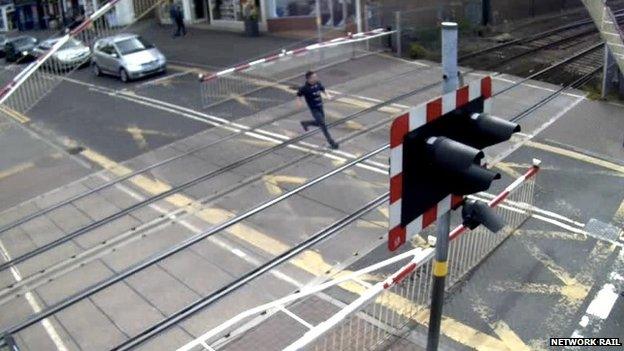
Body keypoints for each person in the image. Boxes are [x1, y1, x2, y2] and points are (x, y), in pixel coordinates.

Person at [297, 71, 339, 149]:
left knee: (320, 123)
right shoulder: (305, 88)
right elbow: (299, 94)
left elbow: (323, 89)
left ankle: (305, 123)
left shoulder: (317, 83)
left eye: (316, 77)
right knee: (323, 125)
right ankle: (332, 142)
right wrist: (299, 102)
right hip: (314, 109)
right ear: (309, 79)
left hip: (320, 107)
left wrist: (328, 95)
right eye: (314, 77)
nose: (316, 78)